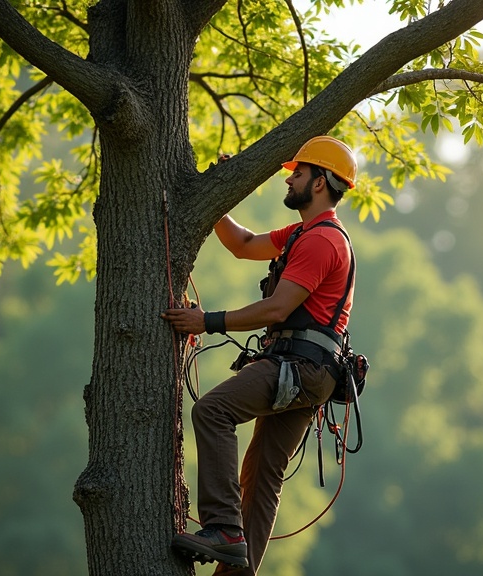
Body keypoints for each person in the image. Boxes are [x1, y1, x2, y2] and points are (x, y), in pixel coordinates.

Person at [162, 135, 358, 574]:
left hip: (299, 366)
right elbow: (244, 244)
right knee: (261, 475)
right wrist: (220, 192)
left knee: (212, 412)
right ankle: (235, 569)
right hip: (311, 371)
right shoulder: (301, 234)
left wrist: (206, 321)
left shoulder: (323, 241)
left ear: (322, 183)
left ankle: (224, 529)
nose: (290, 180)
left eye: (299, 173)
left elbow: (276, 308)